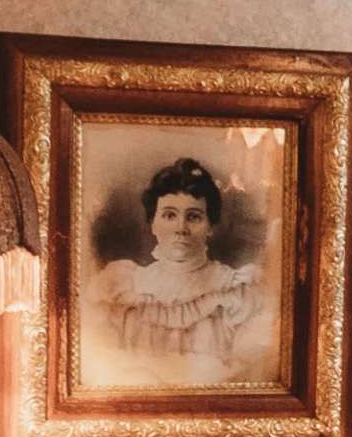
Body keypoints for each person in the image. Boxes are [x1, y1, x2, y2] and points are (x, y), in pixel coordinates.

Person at [88, 158, 271, 384]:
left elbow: (247, 376)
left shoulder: (237, 292)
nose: (181, 229)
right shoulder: (121, 288)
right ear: (153, 223)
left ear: (211, 227)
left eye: (194, 217)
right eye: (169, 215)